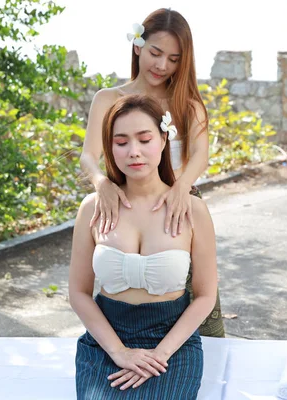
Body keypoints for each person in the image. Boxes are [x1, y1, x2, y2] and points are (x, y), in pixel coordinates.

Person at [80, 8, 224, 337]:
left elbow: (200, 156)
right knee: (122, 295)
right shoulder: (108, 99)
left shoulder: (188, 103)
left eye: (174, 59)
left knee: (198, 301)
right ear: (137, 46)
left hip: (178, 206)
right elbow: (88, 156)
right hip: (124, 203)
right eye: (155, 53)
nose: (162, 65)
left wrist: (181, 188)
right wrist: (101, 183)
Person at [70, 94, 217, 398]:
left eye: (144, 139)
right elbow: (79, 293)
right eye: (121, 142)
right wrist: (120, 352)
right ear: (110, 148)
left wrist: (161, 354)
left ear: (164, 140)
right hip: (106, 340)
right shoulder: (92, 208)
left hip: (171, 343)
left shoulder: (192, 210)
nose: (133, 152)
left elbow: (205, 296)